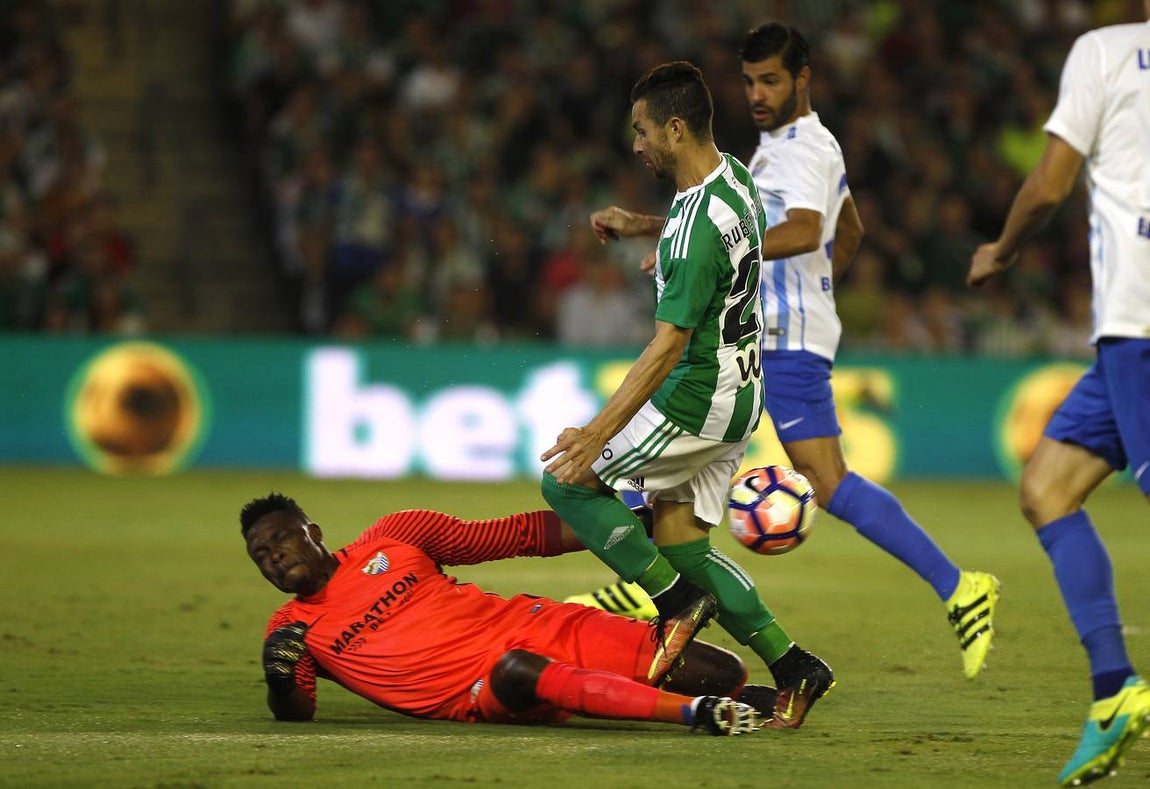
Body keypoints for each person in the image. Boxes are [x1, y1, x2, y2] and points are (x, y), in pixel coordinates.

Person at [577, 22, 1001, 683]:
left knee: (822, 479)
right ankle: (655, 577)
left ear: (802, 80)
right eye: (747, 81)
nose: (756, 93)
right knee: (690, 454)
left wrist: (798, 300)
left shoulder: (802, 147)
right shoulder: (791, 146)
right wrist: (654, 228)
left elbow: (804, 230)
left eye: (770, 79)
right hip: (779, 331)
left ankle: (959, 585)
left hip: (784, 339)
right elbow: (848, 226)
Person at [539, 60, 834, 730]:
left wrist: (596, 431)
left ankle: (675, 606)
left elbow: (666, 345)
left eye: (642, 131)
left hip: (698, 396)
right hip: (743, 388)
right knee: (682, 545)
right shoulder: (730, 177)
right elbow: (717, 233)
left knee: (568, 482)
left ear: (675, 128)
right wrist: (648, 227)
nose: (635, 143)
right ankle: (795, 667)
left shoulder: (697, 225)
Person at [966, 7, 1150, 784]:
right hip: (1121, 336)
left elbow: (1049, 182)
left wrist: (1002, 250)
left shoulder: (1102, 52)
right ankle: (1114, 690)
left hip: (1141, 316)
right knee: (1045, 488)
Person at [241, 492, 770, 736]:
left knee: (727, 673)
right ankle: (695, 714)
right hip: (484, 688)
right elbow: (297, 713)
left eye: (282, 539)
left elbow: (518, 535)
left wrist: (641, 522)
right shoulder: (289, 631)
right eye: (260, 555)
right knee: (519, 669)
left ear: (313, 531)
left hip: (540, 623)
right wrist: (278, 677)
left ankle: (731, 699)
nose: (274, 556)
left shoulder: (396, 536)